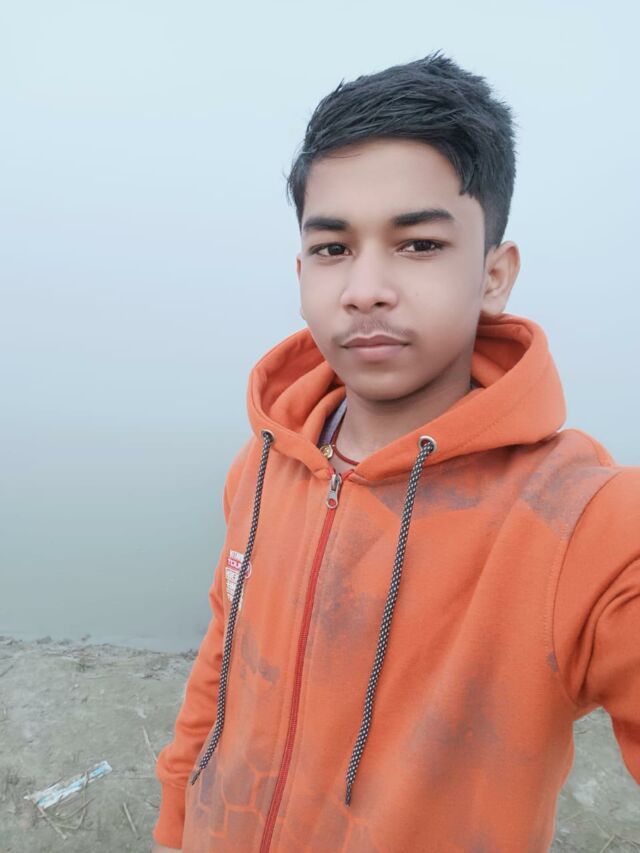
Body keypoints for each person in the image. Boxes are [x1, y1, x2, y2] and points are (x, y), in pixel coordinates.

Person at [151, 51, 640, 852]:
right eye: (333, 248)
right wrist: (175, 821)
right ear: (302, 270)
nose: (364, 289)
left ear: (494, 275)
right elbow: (222, 662)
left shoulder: (583, 521)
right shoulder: (263, 468)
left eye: (417, 244)